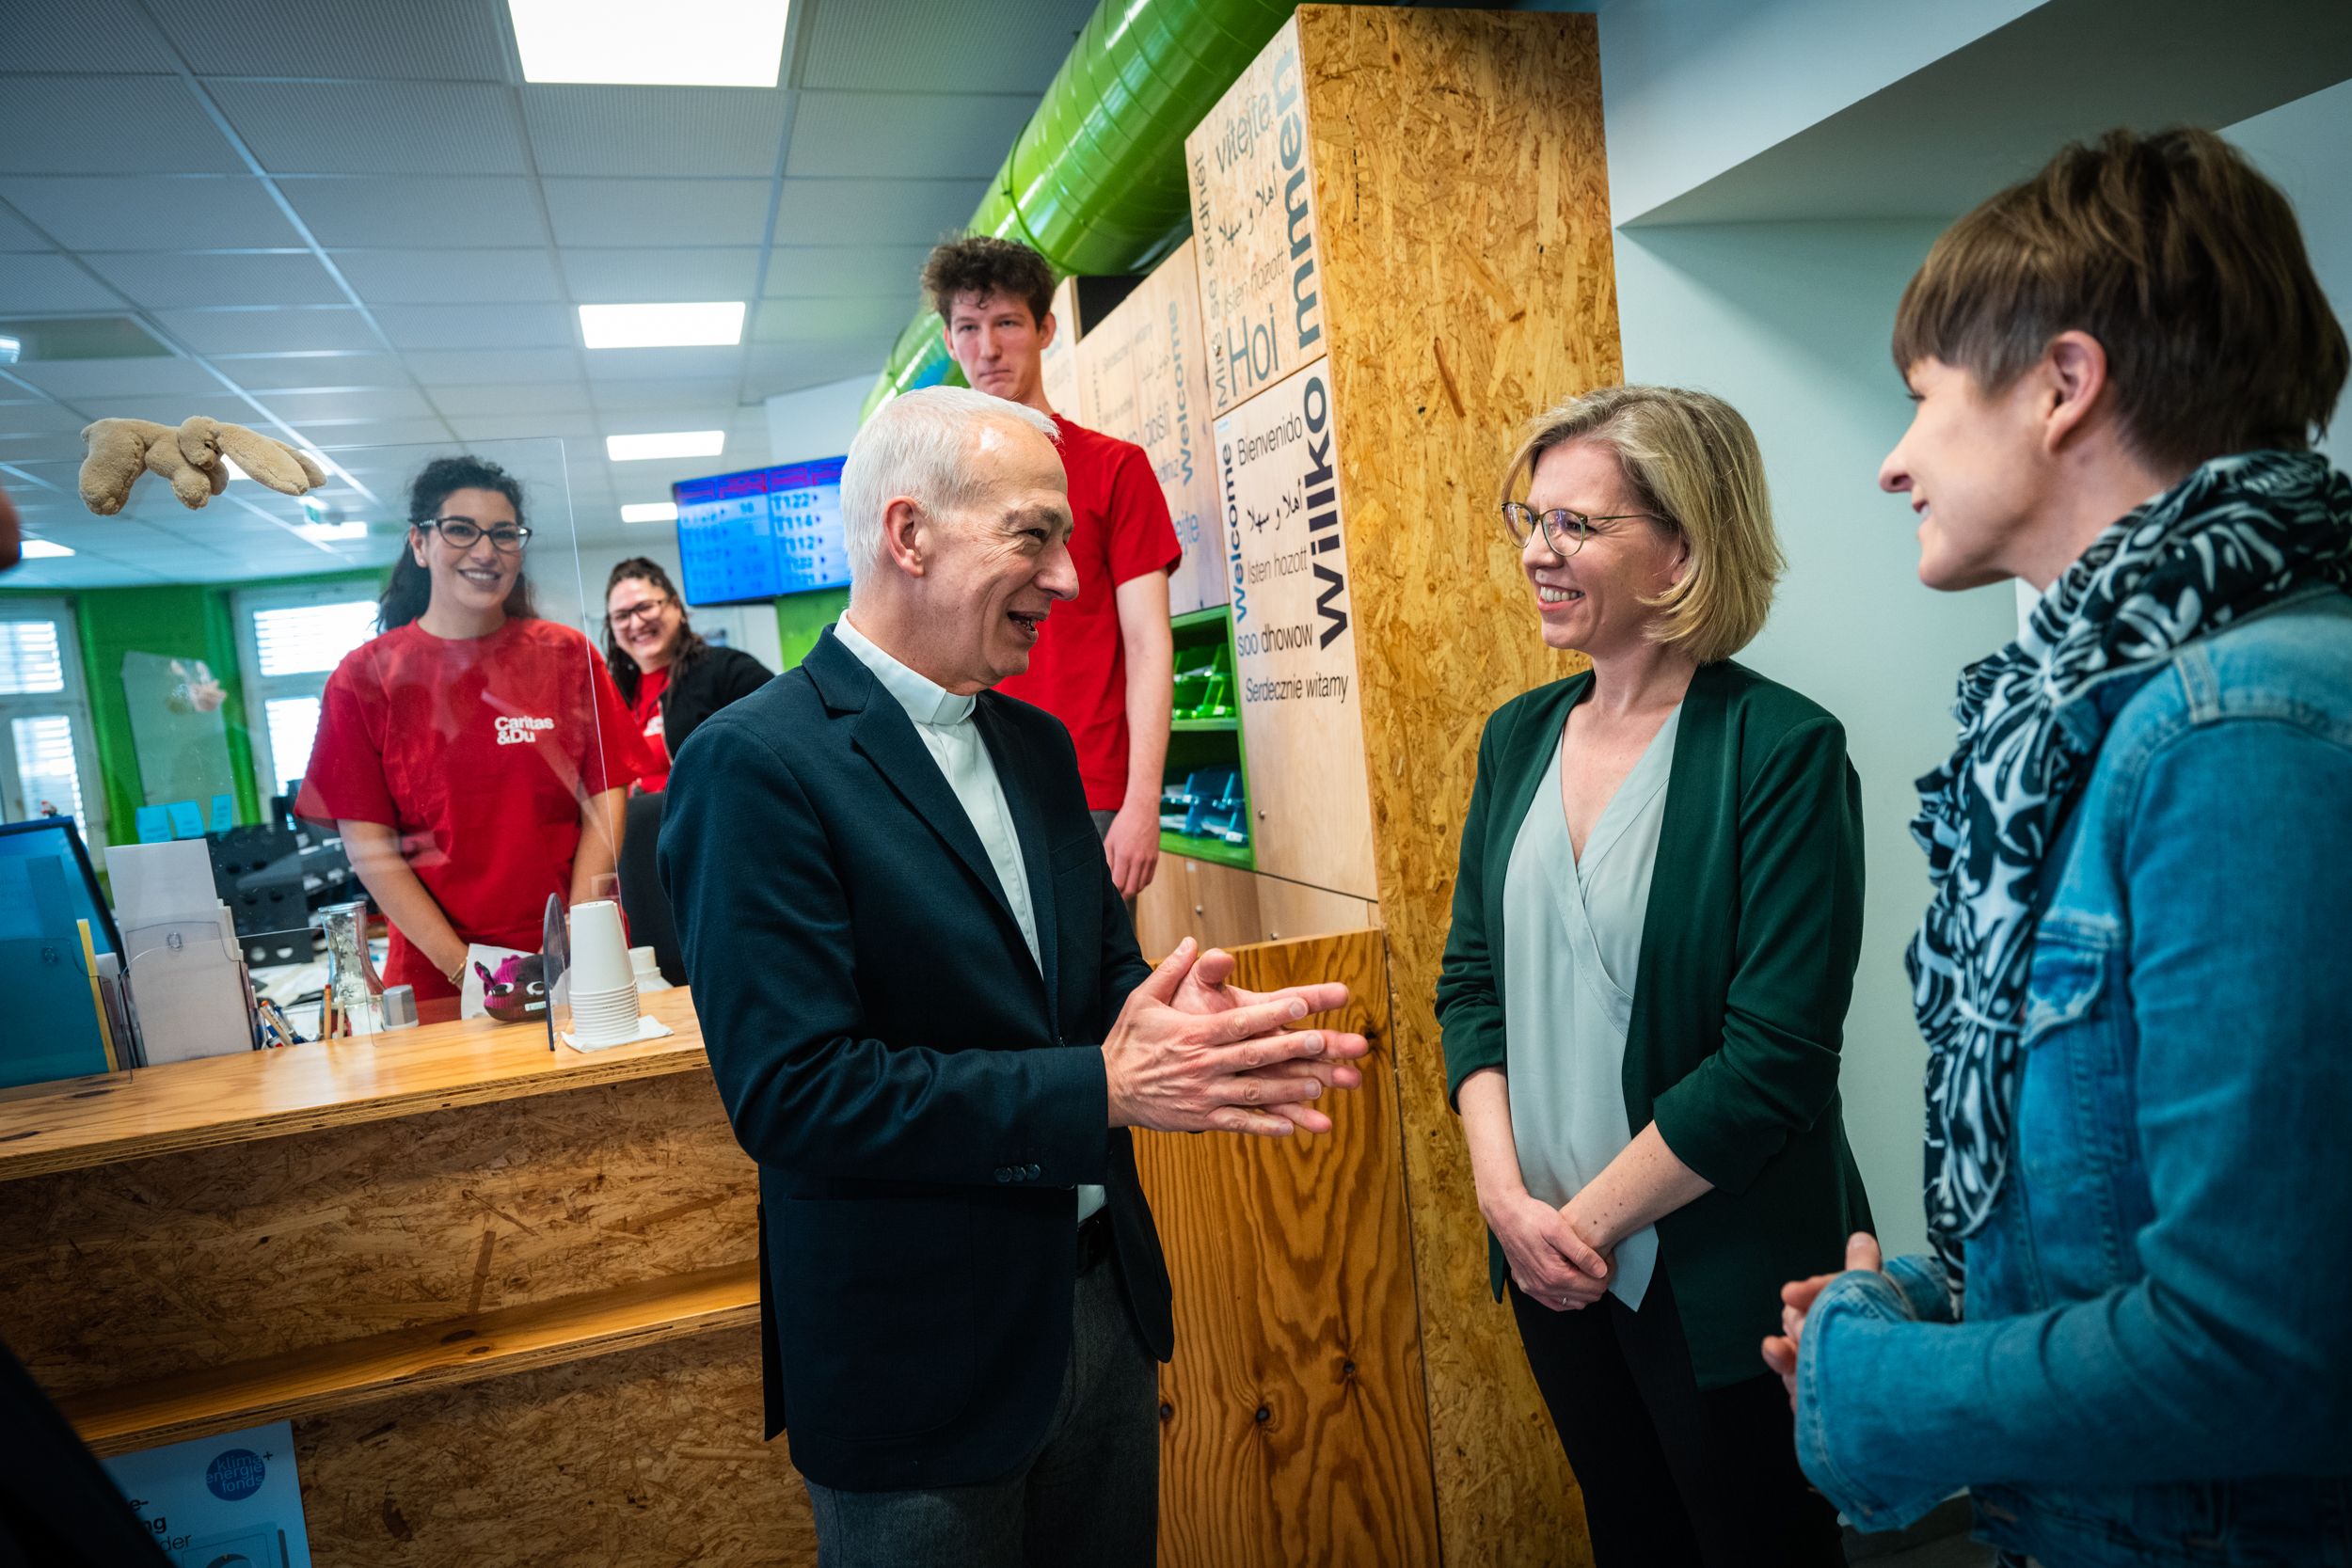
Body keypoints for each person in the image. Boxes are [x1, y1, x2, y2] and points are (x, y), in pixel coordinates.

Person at [658, 386, 1372, 1567]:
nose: (1071, 581)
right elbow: (794, 1090)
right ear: (908, 534)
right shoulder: (753, 763)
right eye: (1033, 536)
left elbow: (1091, 984)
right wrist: (1100, 1085)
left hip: (1097, 1307)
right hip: (916, 1359)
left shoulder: (1035, 744)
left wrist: (1175, 1022)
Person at [1768, 128, 2352, 1568]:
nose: (1896, 460)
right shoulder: (2090, 717)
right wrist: (1931, 1294)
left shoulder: (2239, 727)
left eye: (1920, 400)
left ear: (2063, 386)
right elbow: (2130, 1209)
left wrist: (1878, 1378)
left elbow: (2258, 1345)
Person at [1437, 386, 1869, 1567]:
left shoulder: (1780, 750)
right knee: (1629, 1535)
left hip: (1714, 1266)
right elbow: (1471, 980)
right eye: (1530, 517)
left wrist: (1572, 1226)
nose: (1536, 550)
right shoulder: (1517, 735)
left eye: (1575, 524)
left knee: (1755, 1542)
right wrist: (1504, 1203)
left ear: (1680, 546)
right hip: (1550, 1260)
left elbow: (1773, 1058)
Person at [298, 456, 650, 1003]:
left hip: (579, 964)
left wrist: (574, 942)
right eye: (460, 530)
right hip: (440, 977)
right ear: (419, 544)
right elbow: (370, 848)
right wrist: (471, 974)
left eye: (504, 534)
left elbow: (605, 797)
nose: (486, 551)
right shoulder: (365, 678)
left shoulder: (566, 655)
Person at [923, 234, 1179, 900]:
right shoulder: (940, 489)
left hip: (1089, 788)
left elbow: (1149, 641)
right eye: (969, 328)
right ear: (949, 342)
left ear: (1046, 329)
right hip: (966, 781)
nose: (988, 347)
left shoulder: (1114, 468)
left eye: (1008, 322)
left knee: (1102, 995)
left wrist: (1141, 800)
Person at [602, 557, 771, 792]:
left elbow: (782, 739)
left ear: (675, 607)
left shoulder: (727, 670)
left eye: (645, 607)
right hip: (638, 827)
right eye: (621, 616)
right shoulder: (616, 696)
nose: (636, 623)